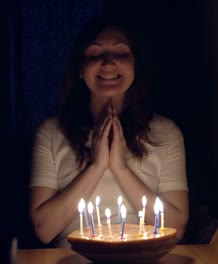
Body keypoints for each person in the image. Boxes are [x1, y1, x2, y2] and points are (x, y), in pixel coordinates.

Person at [29, 15, 189, 248]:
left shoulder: (166, 133)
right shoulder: (51, 132)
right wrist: (96, 166)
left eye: (121, 53)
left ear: (135, 65)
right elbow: (43, 230)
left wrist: (120, 168)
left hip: (143, 259)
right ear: (81, 69)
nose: (108, 63)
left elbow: (176, 230)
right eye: (95, 54)